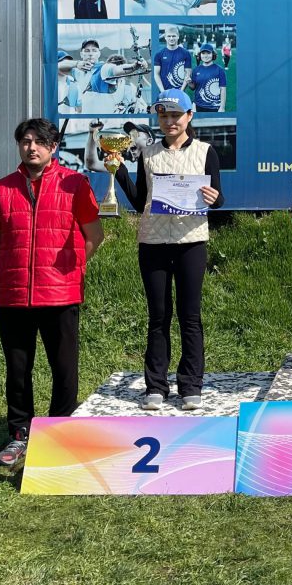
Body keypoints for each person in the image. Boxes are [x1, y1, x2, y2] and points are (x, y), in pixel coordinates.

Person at [90, 91, 222, 410]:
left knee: (190, 317)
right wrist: (119, 170)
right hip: (153, 242)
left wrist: (214, 198)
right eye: (164, 115)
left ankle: (190, 385)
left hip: (191, 242)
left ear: (189, 116)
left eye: (176, 115)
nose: (169, 121)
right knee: (158, 317)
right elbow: (140, 202)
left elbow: (218, 198)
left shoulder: (206, 151)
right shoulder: (148, 154)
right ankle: (156, 385)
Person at [0, 118, 103, 469]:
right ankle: (19, 434)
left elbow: (94, 235)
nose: (32, 147)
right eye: (25, 141)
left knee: (64, 368)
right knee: (17, 370)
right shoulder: (3, 188)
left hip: (60, 294)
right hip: (14, 295)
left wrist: (70, 267)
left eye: (39, 142)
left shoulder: (75, 184)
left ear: (53, 147)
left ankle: (59, 432)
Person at [153, 24, 193, 94]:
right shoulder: (159, 54)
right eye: (169, 36)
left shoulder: (186, 53)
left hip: (180, 94)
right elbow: (156, 74)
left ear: (178, 36)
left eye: (174, 36)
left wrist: (181, 91)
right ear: (165, 37)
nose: (171, 38)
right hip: (164, 94)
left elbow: (187, 74)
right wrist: (163, 91)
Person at [192, 42, 227, 113]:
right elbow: (193, 87)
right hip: (198, 105)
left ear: (213, 54)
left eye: (208, 53)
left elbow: (223, 89)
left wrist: (222, 107)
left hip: (214, 107)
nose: (205, 56)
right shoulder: (196, 70)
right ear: (200, 55)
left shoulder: (219, 70)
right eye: (203, 53)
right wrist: (189, 82)